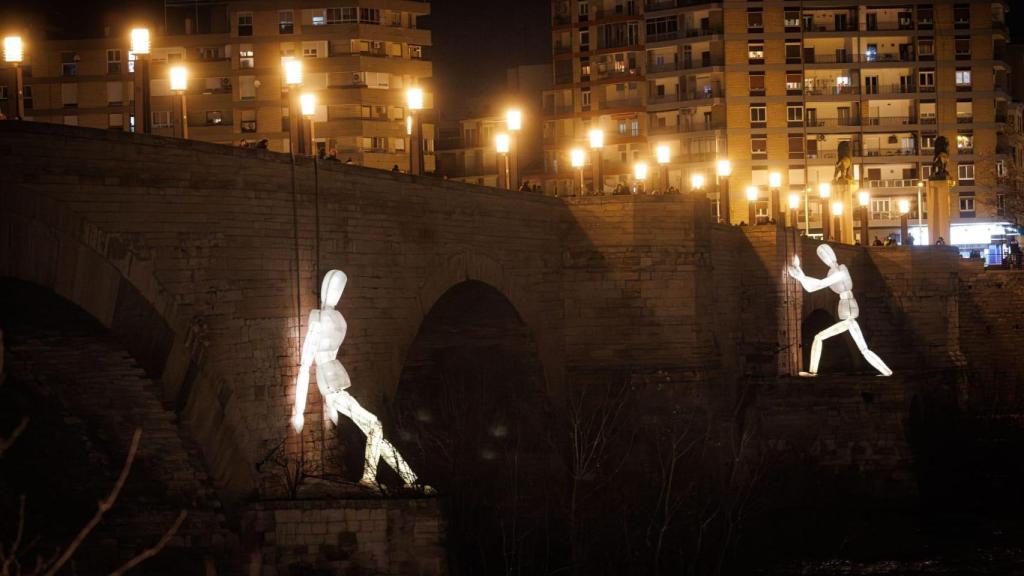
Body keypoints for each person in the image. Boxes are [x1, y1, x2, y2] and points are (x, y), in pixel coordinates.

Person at [291, 270, 432, 492]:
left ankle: (409, 480)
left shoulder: (337, 319)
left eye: (340, 289)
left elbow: (333, 352)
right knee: (375, 426)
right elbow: (306, 364)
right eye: (333, 288)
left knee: (375, 430)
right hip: (329, 384)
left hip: (337, 381)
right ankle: (370, 478)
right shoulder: (317, 319)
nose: (336, 294)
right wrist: (298, 410)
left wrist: (328, 408)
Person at [788, 245, 893, 377]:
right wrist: (801, 275)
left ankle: (813, 372)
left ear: (832, 255)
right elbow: (811, 288)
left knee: (820, 337)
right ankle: (887, 372)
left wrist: (800, 276)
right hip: (849, 316)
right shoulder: (835, 272)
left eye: (826, 255)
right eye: (823, 256)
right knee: (863, 349)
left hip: (849, 315)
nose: (826, 258)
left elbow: (818, 285)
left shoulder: (841, 271)